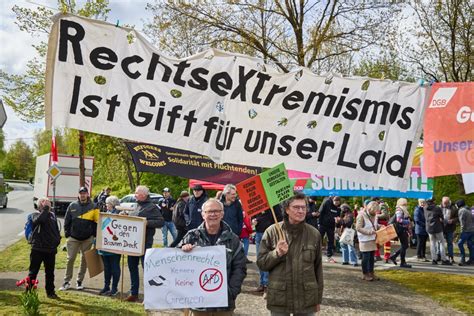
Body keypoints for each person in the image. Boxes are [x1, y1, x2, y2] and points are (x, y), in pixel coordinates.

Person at [257, 193, 323, 315]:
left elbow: (318, 268)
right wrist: (276, 253)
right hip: (280, 298)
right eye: (296, 207)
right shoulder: (272, 232)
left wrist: (318, 299)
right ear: (287, 209)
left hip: (306, 298)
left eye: (304, 207)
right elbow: (262, 264)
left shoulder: (314, 234)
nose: (301, 211)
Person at [180, 198, 246, 315]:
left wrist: (230, 292)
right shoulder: (191, 237)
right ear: (203, 214)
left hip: (223, 306)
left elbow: (240, 268)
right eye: (209, 211)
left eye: (216, 211)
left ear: (222, 214)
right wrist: (183, 251)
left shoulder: (233, 239)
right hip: (198, 305)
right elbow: (177, 267)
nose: (213, 214)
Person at [125, 185, 164, 302]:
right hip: (132, 243)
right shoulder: (136, 205)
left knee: (146, 269)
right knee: (132, 267)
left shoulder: (152, 207)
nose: (135, 194)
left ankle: (149, 296)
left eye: (136, 193)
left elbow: (161, 221)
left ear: (143, 195)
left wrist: (147, 223)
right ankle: (134, 293)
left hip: (145, 243)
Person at [60, 186, 97, 291]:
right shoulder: (72, 205)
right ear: (78, 194)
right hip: (73, 238)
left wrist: (93, 235)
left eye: (84, 193)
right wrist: (67, 234)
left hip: (87, 239)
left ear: (87, 194)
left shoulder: (93, 206)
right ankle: (66, 281)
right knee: (70, 259)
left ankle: (79, 281)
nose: (83, 195)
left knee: (84, 260)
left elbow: (96, 222)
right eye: (81, 193)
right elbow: (67, 220)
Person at [27, 197, 61, 299]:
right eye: (46, 202)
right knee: (33, 272)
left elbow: (55, 229)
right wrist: (45, 209)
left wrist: (57, 240)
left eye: (49, 203)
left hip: (50, 249)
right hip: (38, 249)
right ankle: (29, 292)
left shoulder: (52, 216)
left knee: (50, 273)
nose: (49, 203)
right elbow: (39, 220)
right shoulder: (34, 215)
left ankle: (50, 292)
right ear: (41, 204)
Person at [252, 205, 283, 296]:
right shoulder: (257, 203)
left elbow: (279, 219)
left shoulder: (273, 204)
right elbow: (253, 216)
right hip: (259, 233)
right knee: (260, 259)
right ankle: (262, 283)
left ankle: (267, 285)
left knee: (268, 259)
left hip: (270, 234)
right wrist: (253, 220)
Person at [98, 196, 121, 296]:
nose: (106, 205)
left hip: (115, 246)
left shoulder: (119, 214)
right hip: (105, 245)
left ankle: (114, 288)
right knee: (107, 267)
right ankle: (106, 286)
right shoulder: (107, 214)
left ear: (112, 204)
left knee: (114, 267)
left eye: (107, 203)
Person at [356, 201, 380, 281]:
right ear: (369, 209)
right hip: (364, 240)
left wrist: (380, 226)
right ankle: (365, 274)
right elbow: (358, 228)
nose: (374, 214)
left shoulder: (374, 214)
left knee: (371, 258)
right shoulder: (361, 215)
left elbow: (375, 225)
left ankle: (371, 272)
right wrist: (369, 232)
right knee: (366, 257)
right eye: (373, 212)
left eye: (375, 212)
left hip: (372, 239)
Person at [424, 199, 451, 265]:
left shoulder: (425, 208)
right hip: (437, 228)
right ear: (433, 201)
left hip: (429, 228)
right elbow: (442, 217)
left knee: (432, 243)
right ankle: (443, 259)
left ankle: (434, 259)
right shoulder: (437, 208)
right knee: (441, 242)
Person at [388, 198, 412, 268]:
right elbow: (399, 220)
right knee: (405, 245)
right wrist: (407, 222)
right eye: (405, 203)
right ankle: (402, 262)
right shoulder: (399, 210)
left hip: (402, 230)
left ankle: (395, 256)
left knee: (405, 245)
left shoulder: (401, 209)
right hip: (401, 230)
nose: (406, 204)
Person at [318, 196, 341, 261]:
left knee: (330, 241)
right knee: (319, 238)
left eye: (338, 203)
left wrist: (338, 223)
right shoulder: (327, 202)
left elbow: (338, 218)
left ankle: (329, 256)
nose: (336, 204)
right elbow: (320, 212)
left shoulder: (338, 209)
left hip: (331, 226)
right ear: (333, 200)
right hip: (322, 224)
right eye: (335, 202)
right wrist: (319, 223)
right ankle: (316, 254)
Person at [440, 197, 458, 263]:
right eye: (444, 203)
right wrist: (439, 219)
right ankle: (440, 256)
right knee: (440, 243)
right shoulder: (439, 207)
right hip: (441, 228)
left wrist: (452, 220)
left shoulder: (454, 208)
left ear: (449, 202)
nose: (445, 204)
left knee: (450, 243)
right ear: (442, 202)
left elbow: (457, 217)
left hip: (450, 228)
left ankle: (451, 257)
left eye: (446, 203)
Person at [456, 199, 474, 266]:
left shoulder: (461, 210)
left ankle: (462, 259)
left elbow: (462, 222)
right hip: (472, 230)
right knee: (471, 245)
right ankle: (472, 260)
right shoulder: (469, 209)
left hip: (466, 231)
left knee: (460, 243)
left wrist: (461, 232)